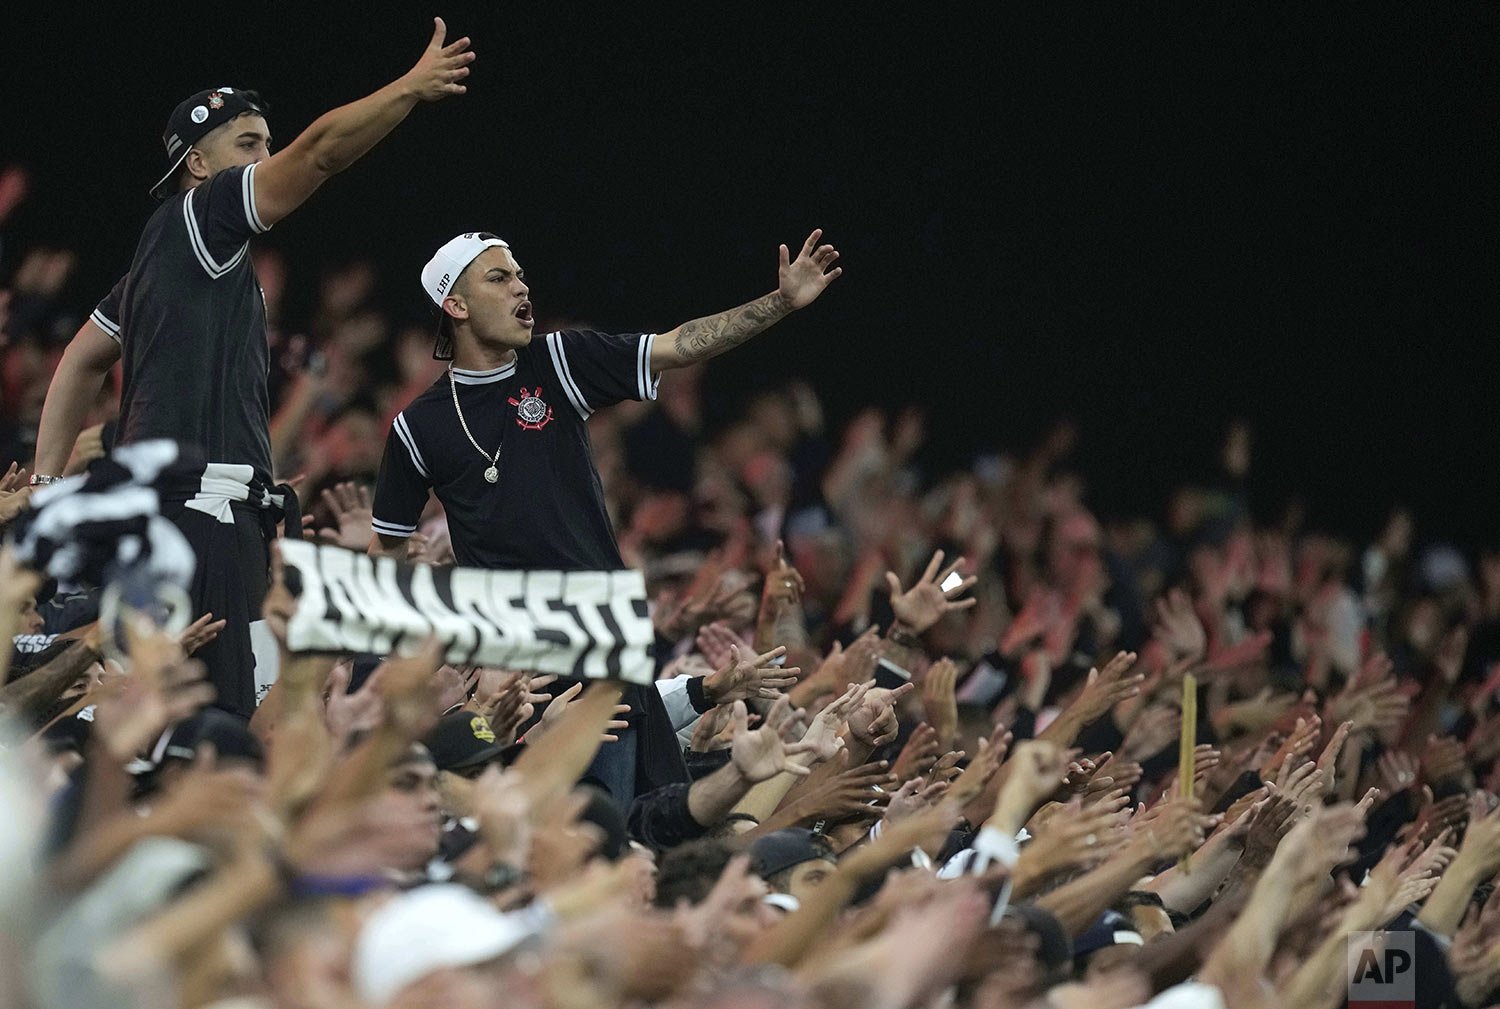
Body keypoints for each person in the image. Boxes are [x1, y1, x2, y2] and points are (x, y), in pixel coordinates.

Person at [30, 19, 476, 716]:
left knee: (200, 722)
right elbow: (323, 153)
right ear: (199, 165)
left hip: (199, 512)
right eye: (249, 144)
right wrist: (411, 89)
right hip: (198, 517)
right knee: (214, 734)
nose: (268, 157)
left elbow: (80, 361)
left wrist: (48, 489)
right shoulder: (201, 216)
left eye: (268, 143)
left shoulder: (166, 264)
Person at [368, 229, 841, 799]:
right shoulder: (417, 427)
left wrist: (780, 303)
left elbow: (679, 344)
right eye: (500, 277)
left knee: (629, 826)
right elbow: (387, 554)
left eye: (520, 275)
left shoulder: (557, 360)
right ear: (456, 304)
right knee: (558, 829)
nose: (522, 287)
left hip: (604, 642)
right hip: (519, 666)